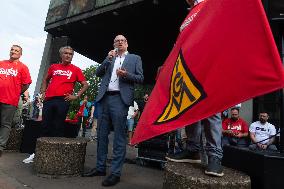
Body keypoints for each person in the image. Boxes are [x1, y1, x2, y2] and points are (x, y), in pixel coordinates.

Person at [166, 0, 224, 177]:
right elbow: (180, 44)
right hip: (190, 68)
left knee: (211, 109)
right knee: (190, 107)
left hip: (209, 63)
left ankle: (214, 156)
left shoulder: (211, 4)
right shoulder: (190, 13)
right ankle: (193, 150)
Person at [82, 34, 144, 187]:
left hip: (120, 99)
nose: (120, 42)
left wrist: (126, 74)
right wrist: (107, 59)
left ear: (127, 44)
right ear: (114, 44)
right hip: (104, 98)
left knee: (119, 138)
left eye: (122, 40)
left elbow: (140, 78)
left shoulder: (135, 58)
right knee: (101, 135)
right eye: (117, 41)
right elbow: (98, 73)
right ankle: (100, 167)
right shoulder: (110, 57)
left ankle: (115, 173)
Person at [22, 46, 88, 163]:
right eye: (66, 53)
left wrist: (76, 96)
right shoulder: (54, 67)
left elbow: (85, 84)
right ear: (61, 55)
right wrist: (43, 91)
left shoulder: (76, 69)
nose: (68, 55)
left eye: (71, 54)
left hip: (63, 100)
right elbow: (46, 79)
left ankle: (55, 155)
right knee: (45, 126)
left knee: (58, 126)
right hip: (49, 99)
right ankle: (38, 153)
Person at [0, 45, 32, 157]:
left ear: (20, 54)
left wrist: (16, 92)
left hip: (10, 99)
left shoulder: (23, 67)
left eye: (16, 50)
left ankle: (0, 147)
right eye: (12, 49)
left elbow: (26, 83)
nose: (13, 51)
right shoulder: (1, 63)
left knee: (5, 124)